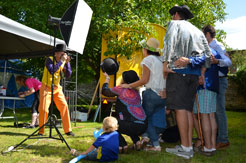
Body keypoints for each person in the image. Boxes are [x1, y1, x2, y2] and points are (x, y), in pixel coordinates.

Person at [162, 5, 211, 159]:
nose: (171, 18)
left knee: (180, 110)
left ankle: (186, 148)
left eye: (172, 15)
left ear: (176, 14)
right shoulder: (198, 31)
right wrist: (193, 64)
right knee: (187, 110)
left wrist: (165, 63)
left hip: (179, 74)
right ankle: (187, 146)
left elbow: (169, 43)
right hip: (193, 75)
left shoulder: (174, 24)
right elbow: (208, 57)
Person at [121, 38, 166, 152]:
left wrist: (129, 85)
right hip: (162, 95)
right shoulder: (161, 60)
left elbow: (144, 80)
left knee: (147, 120)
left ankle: (155, 145)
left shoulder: (148, 60)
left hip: (151, 94)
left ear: (145, 50)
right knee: (155, 120)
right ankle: (147, 139)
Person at [102, 70, 147, 153]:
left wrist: (107, 79)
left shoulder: (120, 89)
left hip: (131, 124)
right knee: (128, 123)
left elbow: (105, 91)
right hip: (143, 125)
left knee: (111, 124)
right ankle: (137, 142)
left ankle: (123, 145)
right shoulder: (136, 92)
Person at [202, 25, 232, 149]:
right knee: (213, 111)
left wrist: (217, 61)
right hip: (214, 80)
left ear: (208, 34)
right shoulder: (209, 47)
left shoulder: (217, 46)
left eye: (203, 34)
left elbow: (229, 62)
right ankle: (217, 137)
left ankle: (223, 139)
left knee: (219, 110)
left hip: (220, 81)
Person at [37, 44, 74, 136]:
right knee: (43, 109)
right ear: (56, 53)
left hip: (57, 88)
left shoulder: (63, 62)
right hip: (46, 87)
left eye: (64, 54)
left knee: (64, 106)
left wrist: (68, 63)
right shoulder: (49, 59)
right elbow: (52, 70)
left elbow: (68, 75)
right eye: (62, 54)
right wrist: (61, 61)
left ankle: (68, 130)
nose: (64, 56)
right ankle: (41, 131)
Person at [193, 48, 221, 156]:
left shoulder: (204, 50)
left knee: (204, 116)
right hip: (213, 85)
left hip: (204, 86)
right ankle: (212, 145)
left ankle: (208, 147)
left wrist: (202, 73)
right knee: (211, 116)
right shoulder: (214, 50)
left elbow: (207, 60)